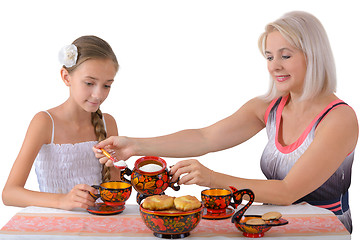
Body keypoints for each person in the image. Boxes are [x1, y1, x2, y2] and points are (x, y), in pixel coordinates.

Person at [93, 12, 358, 232]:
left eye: (285, 56)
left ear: (314, 55)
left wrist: (211, 178)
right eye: (269, 56)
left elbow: (288, 191)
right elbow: (204, 137)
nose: (274, 66)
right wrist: (133, 145)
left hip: (324, 231)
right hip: (273, 226)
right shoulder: (269, 106)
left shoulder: (339, 119)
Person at [2, 35, 120, 211]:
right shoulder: (45, 123)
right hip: (54, 228)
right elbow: (9, 194)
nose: (98, 94)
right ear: (66, 77)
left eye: (106, 85)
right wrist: (62, 200)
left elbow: (115, 190)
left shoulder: (108, 123)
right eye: (89, 83)